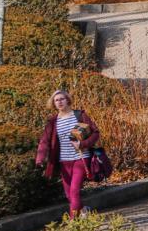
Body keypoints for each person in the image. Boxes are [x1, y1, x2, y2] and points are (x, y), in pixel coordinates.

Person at [35, 90, 100, 218]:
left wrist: (82, 144)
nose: (59, 102)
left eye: (62, 99)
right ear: (54, 103)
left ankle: (72, 222)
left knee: (74, 191)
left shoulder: (79, 115)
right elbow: (44, 140)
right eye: (56, 100)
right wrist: (40, 158)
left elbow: (95, 133)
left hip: (81, 158)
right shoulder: (53, 121)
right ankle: (83, 209)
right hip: (64, 161)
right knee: (69, 194)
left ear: (67, 100)